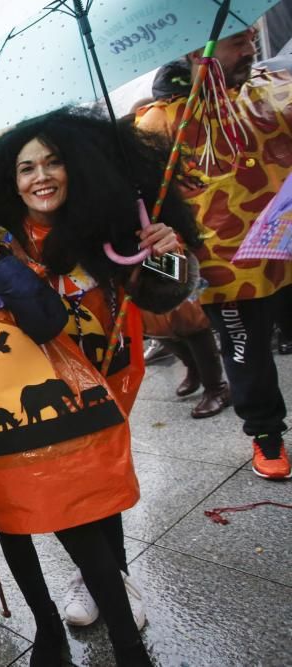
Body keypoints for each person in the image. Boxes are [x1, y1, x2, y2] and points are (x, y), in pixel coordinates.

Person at [0, 107, 198, 635]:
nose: (41, 176)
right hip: (40, 381)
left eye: (53, 162)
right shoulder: (1, 240)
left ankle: (109, 578)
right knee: (64, 479)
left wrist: (169, 252)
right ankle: (99, 575)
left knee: (99, 480)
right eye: (27, 168)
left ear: (76, 167)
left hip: (109, 372)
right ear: (12, 180)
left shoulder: (114, 224)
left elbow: (164, 292)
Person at [0, 186, 148, 666]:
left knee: (84, 536)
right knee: (12, 536)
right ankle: (45, 625)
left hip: (50, 433)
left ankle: (129, 645)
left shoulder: (10, 270)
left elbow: (46, 323)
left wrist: (0, 265)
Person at [136, 27, 292, 479]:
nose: (250, 48)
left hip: (285, 246)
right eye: (236, 42)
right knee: (247, 355)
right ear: (195, 49)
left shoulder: (275, 90)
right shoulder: (162, 123)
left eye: (249, 39)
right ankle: (266, 437)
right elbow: (144, 204)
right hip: (228, 269)